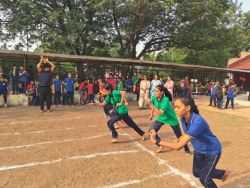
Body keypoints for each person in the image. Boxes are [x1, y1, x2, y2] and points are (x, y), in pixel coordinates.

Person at [149, 95, 231, 188]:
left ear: (188, 107)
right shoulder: (183, 117)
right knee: (197, 173)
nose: (175, 110)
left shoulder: (197, 121)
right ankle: (222, 173)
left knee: (204, 179)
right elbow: (187, 131)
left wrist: (157, 141)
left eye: (178, 107)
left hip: (211, 150)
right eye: (175, 107)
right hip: (199, 149)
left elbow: (178, 147)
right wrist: (180, 138)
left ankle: (220, 174)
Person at [147, 85, 190, 154]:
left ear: (162, 92)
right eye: (154, 91)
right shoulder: (154, 98)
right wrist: (151, 114)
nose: (155, 92)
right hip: (162, 118)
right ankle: (160, 145)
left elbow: (160, 113)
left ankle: (187, 149)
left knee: (179, 136)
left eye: (157, 91)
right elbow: (154, 107)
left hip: (171, 118)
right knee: (151, 131)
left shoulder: (166, 100)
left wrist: (151, 104)